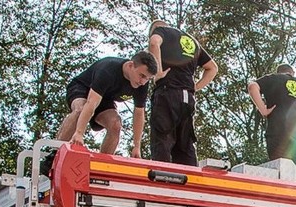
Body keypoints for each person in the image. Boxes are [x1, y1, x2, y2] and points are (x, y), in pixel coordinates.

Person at [53, 52, 157, 164]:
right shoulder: (108, 70)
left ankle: (101, 164)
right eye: (141, 76)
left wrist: (136, 146)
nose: (143, 81)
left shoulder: (142, 84)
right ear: (130, 65)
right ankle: (54, 155)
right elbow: (91, 103)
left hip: (105, 98)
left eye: (147, 78)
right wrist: (79, 133)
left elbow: (139, 114)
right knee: (80, 109)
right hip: (83, 89)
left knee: (115, 124)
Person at [148, 19, 218, 166]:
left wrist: (158, 72)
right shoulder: (191, 40)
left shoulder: (161, 31)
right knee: (185, 145)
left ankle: (162, 183)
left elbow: (154, 42)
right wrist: (196, 87)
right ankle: (190, 182)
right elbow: (212, 68)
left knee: (163, 140)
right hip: (188, 98)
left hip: (168, 92)